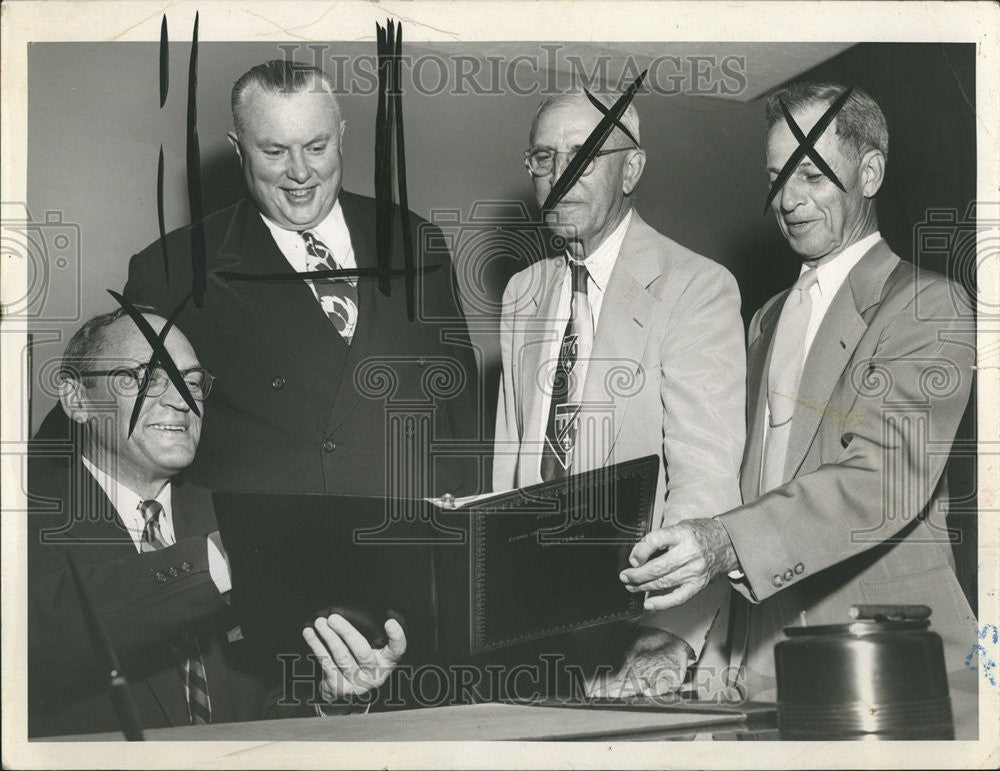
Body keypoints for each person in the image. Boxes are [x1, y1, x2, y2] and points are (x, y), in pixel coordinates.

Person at [619, 82, 977, 699]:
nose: (787, 199)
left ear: (870, 172)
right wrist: (699, 646)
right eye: (777, 176)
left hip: (890, 664)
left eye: (811, 175)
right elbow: (747, 485)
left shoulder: (928, 305)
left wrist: (720, 540)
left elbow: (880, 482)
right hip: (764, 668)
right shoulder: (765, 319)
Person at [28, 309, 403, 736]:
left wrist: (333, 701)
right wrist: (220, 558)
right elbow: (39, 641)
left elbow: (260, 713)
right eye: (148, 377)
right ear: (77, 400)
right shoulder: (23, 516)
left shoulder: (226, 515)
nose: (182, 400)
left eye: (192, 382)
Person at [122, 59, 480, 500]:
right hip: (270, 548)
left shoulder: (415, 238)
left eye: (317, 147)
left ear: (341, 137)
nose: (300, 173)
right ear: (239, 150)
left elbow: (461, 409)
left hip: (414, 535)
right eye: (274, 151)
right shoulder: (171, 268)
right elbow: (127, 440)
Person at [493, 87, 746, 694]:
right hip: (529, 629)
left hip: (640, 629)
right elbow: (511, 465)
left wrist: (670, 638)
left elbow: (705, 483)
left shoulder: (696, 288)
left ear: (631, 168)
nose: (560, 175)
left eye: (584, 156)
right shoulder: (522, 292)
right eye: (544, 158)